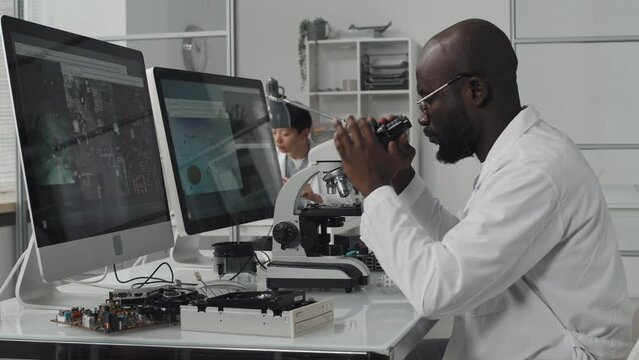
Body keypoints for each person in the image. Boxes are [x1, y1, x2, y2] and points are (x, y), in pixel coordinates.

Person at [333, 19, 632, 360]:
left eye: (427, 101)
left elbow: (437, 290)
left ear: (475, 91)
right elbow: (463, 247)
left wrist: (373, 187)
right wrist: (400, 180)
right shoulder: (518, 156)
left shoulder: (534, 168)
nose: (422, 119)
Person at [272, 103, 324, 204]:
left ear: (304, 133)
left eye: (285, 134)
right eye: (274, 132)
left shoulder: (325, 159)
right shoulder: (272, 158)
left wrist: (315, 197)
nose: (277, 140)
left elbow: (347, 203)